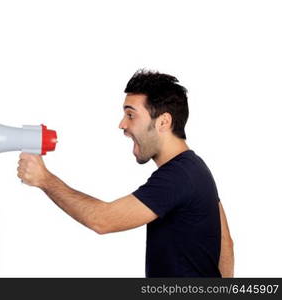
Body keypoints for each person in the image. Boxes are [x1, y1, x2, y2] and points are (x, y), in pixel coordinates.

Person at [17, 69, 234, 277]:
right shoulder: (195, 168)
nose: (122, 124)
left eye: (131, 115)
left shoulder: (178, 177)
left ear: (163, 122)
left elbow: (102, 220)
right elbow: (225, 242)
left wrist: (44, 179)